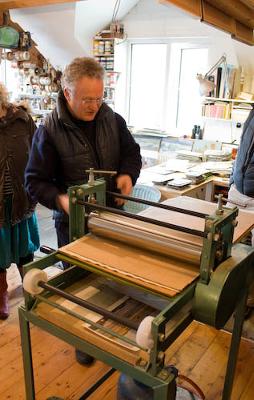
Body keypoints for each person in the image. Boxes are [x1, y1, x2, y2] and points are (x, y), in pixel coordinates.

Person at [25, 57, 142, 364]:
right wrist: (61, 199)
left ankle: (115, 333)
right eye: (87, 99)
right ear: (67, 93)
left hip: (112, 218)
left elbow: (132, 153)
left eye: (99, 98)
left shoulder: (111, 119)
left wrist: (128, 175)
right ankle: (84, 340)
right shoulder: (49, 130)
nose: (93, 106)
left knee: (114, 278)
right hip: (73, 225)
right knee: (80, 286)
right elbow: (34, 181)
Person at [0, 83, 40, 320]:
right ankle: (2, 293)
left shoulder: (22, 120)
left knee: (25, 250)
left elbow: (39, 153)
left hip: (22, 198)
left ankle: (31, 289)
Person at [228, 107, 254, 310]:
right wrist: (232, 181)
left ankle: (247, 300)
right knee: (225, 246)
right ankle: (226, 295)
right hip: (237, 193)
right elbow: (242, 150)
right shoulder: (252, 113)